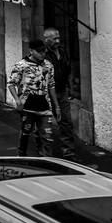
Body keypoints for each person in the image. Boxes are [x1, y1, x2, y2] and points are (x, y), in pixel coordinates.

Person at [8, 41, 59, 157]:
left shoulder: (48, 65)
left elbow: (51, 85)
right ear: (31, 51)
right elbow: (11, 83)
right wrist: (17, 100)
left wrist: (56, 106)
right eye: (39, 52)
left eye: (44, 51)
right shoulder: (21, 65)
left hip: (45, 106)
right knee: (26, 132)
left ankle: (47, 160)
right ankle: (21, 156)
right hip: (27, 106)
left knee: (47, 136)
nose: (42, 54)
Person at [43, 27, 77, 159]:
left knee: (66, 122)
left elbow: (69, 69)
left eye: (58, 38)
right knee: (45, 124)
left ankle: (69, 153)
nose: (58, 40)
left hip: (62, 91)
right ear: (46, 40)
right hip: (46, 93)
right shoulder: (43, 55)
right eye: (54, 39)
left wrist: (71, 87)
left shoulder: (62, 52)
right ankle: (45, 154)